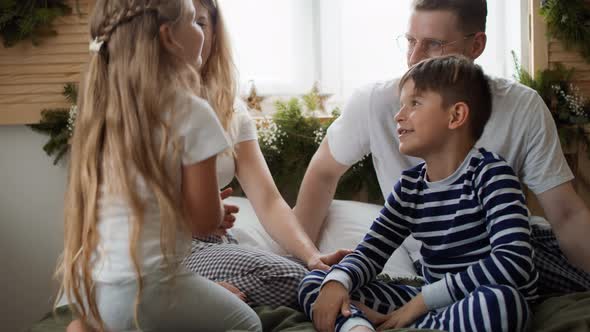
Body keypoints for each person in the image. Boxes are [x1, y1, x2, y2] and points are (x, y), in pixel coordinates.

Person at [295, 0, 590, 295]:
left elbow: (565, 213)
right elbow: (323, 172)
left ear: (476, 45)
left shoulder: (520, 107)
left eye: (434, 44)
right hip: (438, 266)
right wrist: (304, 259)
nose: (414, 58)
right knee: (320, 288)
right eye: (410, 41)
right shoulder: (376, 104)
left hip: (513, 248)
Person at [55, 0, 262, 331]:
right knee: (246, 323)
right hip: (150, 290)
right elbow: (205, 221)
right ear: (169, 37)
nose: (202, 32)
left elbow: (137, 206)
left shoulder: (104, 114)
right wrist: (217, 212)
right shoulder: (191, 112)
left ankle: (86, 326)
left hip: (99, 287)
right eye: (195, 22)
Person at [299, 55, 539, 332]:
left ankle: (410, 325)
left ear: (456, 115)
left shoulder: (492, 174)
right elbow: (370, 253)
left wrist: (420, 303)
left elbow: (514, 261)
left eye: (415, 103)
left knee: (501, 303)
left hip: (476, 298)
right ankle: (358, 328)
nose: (399, 116)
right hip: (433, 303)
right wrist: (338, 282)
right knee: (319, 284)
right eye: (401, 105)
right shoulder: (410, 186)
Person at [181, 0, 350, 308]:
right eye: (179, 22)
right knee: (287, 277)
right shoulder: (135, 111)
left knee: (326, 273)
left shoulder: (229, 111)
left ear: (215, 33)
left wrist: (312, 256)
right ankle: (360, 312)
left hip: (216, 247)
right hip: (165, 255)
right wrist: (197, 218)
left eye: (199, 23)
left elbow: (269, 200)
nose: (190, 34)